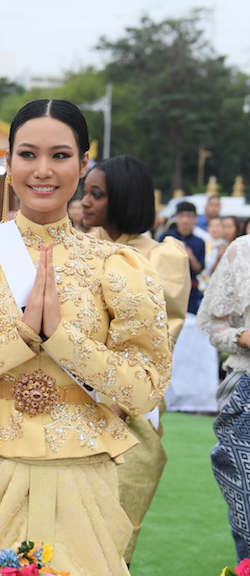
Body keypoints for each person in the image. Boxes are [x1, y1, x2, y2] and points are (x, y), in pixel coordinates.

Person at [0, 100, 171, 576]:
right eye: (28, 154)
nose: (43, 170)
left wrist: (64, 340)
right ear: (8, 162)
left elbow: (146, 390)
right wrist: (22, 337)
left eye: (61, 155)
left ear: (84, 163)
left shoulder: (116, 266)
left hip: (80, 477)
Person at [80, 154, 190, 564]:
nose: (84, 202)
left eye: (96, 194)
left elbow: (160, 341)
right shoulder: (78, 248)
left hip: (130, 410)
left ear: (123, 198)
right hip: (69, 405)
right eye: (85, 192)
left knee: (114, 535)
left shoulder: (164, 256)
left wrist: (117, 398)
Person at [197, 234, 250, 562]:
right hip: (247, 392)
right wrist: (243, 337)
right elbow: (215, 327)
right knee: (247, 505)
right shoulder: (242, 251)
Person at [159, 201, 219, 413]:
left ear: (194, 218)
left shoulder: (199, 242)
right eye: (182, 216)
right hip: (167, 292)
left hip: (191, 294)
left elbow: (199, 268)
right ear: (177, 217)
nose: (185, 220)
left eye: (189, 216)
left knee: (191, 335)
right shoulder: (165, 239)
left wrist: (188, 254)